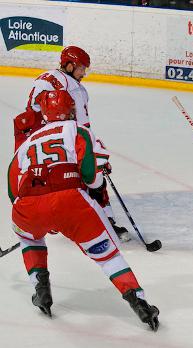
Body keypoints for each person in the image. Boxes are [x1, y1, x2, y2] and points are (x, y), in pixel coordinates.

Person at [8, 90, 160, 330]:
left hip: (27, 206)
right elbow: (91, 177)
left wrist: (44, 215)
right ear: (71, 110)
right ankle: (139, 303)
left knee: (29, 237)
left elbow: (12, 190)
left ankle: (41, 291)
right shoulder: (77, 129)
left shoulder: (27, 142)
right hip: (70, 202)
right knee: (108, 256)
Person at [13, 46, 130, 242]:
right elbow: (83, 128)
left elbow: (31, 113)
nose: (84, 73)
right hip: (62, 139)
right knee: (89, 176)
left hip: (34, 142)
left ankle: (44, 221)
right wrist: (96, 154)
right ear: (69, 65)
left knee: (38, 182)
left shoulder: (44, 77)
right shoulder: (75, 89)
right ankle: (105, 221)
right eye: (81, 68)